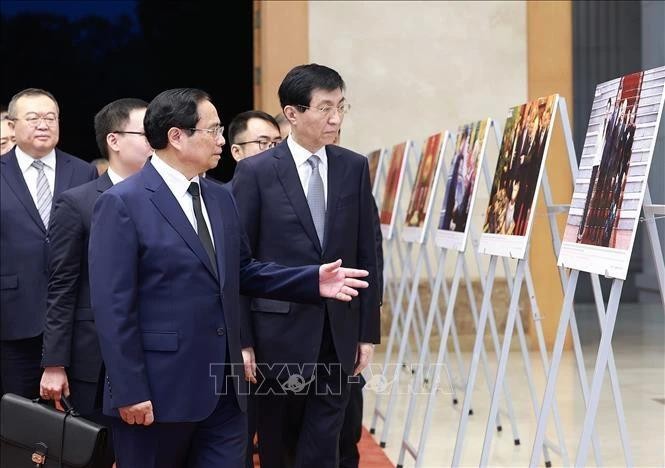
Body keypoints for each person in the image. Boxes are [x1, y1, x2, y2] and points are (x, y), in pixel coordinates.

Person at [88, 88, 370, 468]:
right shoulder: (123, 202)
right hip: (157, 392)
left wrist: (310, 281)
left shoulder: (220, 198)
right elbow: (112, 307)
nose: (222, 140)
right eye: (213, 130)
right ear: (176, 136)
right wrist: (129, 389)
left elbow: (242, 271)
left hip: (226, 391)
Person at [232, 64, 381, 468]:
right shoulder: (255, 172)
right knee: (279, 447)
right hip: (275, 336)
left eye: (341, 107)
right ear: (293, 114)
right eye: (326, 107)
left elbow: (369, 253)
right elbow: (240, 264)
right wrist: (243, 339)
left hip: (338, 332)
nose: (335, 118)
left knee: (323, 448)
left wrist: (366, 332)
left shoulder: (352, 167)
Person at [40, 98, 151, 417]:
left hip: (157, 349)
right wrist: (54, 363)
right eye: (145, 133)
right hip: (95, 355)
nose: (154, 142)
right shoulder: (78, 203)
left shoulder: (166, 199)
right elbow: (61, 285)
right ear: (113, 140)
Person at [0, 88, 97, 398]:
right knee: (19, 420)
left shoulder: (84, 171)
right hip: (14, 318)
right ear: (12, 126)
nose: (43, 124)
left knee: (77, 428)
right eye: (33, 118)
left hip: (75, 318)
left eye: (50, 117)